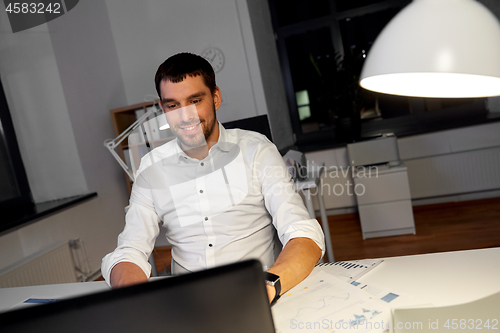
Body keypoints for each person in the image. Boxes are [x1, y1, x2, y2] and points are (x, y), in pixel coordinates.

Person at [102, 52, 325, 304]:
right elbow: (129, 251)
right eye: (173, 105)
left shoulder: (257, 150)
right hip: (189, 305)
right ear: (163, 108)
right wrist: (139, 301)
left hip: (259, 295)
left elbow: (303, 233)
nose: (185, 116)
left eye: (195, 100)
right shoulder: (151, 168)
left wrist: (267, 287)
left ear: (215, 97)